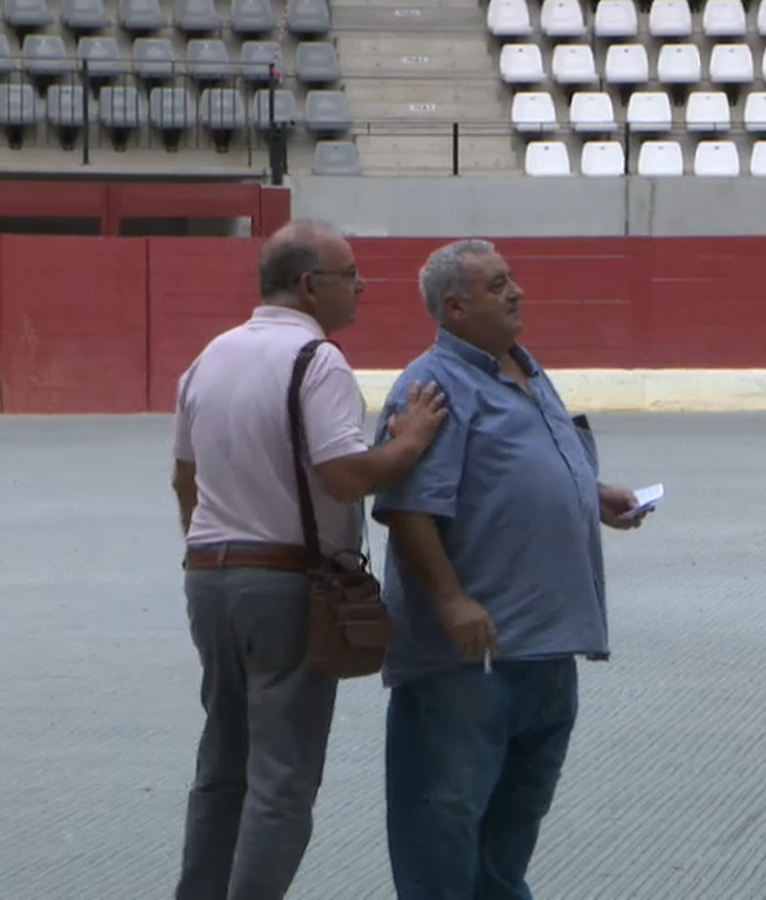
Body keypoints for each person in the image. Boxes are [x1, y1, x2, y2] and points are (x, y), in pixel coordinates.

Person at [169, 219, 449, 900]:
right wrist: (410, 442)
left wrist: (214, 551)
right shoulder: (316, 361)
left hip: (210, 576)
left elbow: (185, 479)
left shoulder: (211, 356)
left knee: (222, 766)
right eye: (349, 273)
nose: (361, 286)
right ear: (308, 285)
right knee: (282, 780)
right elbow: (345, 475)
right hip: (285, 582)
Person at [369, 238, 649, 899]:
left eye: (512, 279)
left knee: (512, 830)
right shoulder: (431, 387)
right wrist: (451, 600)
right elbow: (408, 509)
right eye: (498, 286)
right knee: (442, 823)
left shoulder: (526, 370)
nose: (517, 292)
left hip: (549, 649)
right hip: (471, 658)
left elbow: (514, 472)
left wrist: (590, 491)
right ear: (456, 308)